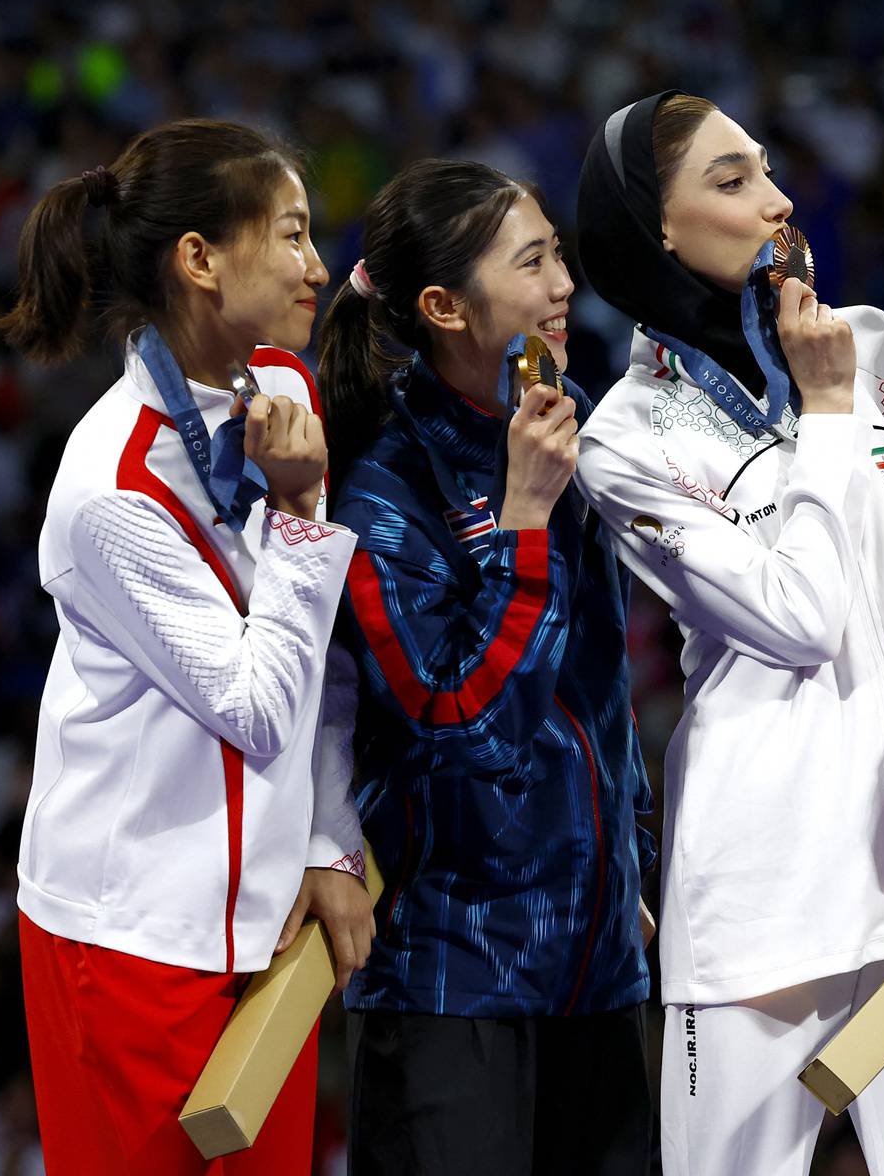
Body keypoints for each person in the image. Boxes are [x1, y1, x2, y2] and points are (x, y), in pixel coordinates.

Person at [573, 91, 884, 1176]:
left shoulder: (872, 346)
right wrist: (826, 414)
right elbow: (798, 616)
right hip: (759, 898)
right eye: (732, 181)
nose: (781, 201)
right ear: (658, 228)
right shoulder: (625, 441)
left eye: (769, 168)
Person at [0, 119, 371, 1174]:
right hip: (128, 943)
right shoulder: (111, 487)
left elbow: (323, 663)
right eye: (292, 235)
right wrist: (298, 517)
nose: (320, 266)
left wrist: (327, 835)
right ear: (199, 260)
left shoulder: (285, 391)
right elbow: (254, 706)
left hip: (264, 934)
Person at [316, 159, 654, 1174]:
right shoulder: (383, 489)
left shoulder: (556, 414)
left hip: (596, 967)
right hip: (453, 981)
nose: (566, 285)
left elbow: (601, 693)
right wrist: (525, 524)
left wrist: (626, 859)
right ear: (443, 306)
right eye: (535, 260)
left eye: (559, 253)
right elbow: (465, 727)